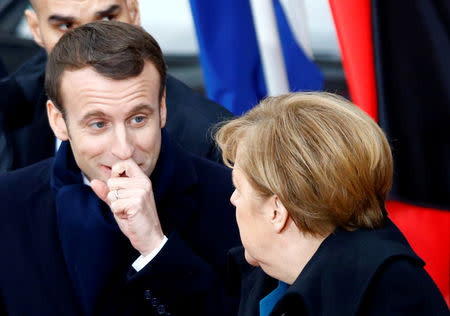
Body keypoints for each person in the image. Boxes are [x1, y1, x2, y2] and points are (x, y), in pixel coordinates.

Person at [0, 21, 240, 315]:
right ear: (58, 121)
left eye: (138, 119)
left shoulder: (232, 199)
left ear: (162, 108)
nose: (124, 149)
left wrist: (156, 248)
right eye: (98, 124)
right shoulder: (8, 203)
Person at [215, 93, 449, 315]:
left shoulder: (389, 296)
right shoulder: (270, 280)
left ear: (277, 210)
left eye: (239, 188)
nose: (233, 199)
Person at [0, 0, 232, 171]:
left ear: (134, 11)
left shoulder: (209, 137)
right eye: (65, 26)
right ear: (35, 29)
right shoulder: (9, 106)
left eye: (107, 19)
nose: (91, 45)